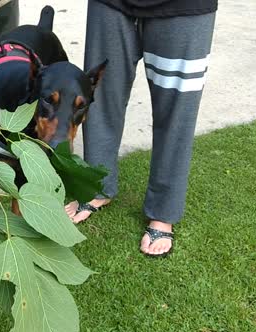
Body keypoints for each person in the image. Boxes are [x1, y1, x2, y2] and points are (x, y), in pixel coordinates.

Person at [65, 0, 218, 257]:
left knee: (176, 111)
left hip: (186, 7)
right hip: (110, 5)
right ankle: (97, 185)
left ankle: (163, 212)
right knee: (101, 96)